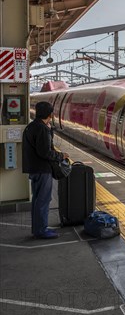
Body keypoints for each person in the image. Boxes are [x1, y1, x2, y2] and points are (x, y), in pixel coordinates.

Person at [22, 101, 69, 239]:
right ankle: (41, 230)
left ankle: (38, 228)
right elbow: (45, 152)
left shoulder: (31, 126)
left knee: (37, 200)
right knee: (43, 200)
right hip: (42, 170)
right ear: (50, 114)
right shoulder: (42, 129)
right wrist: (61, 156)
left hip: (34, 168)